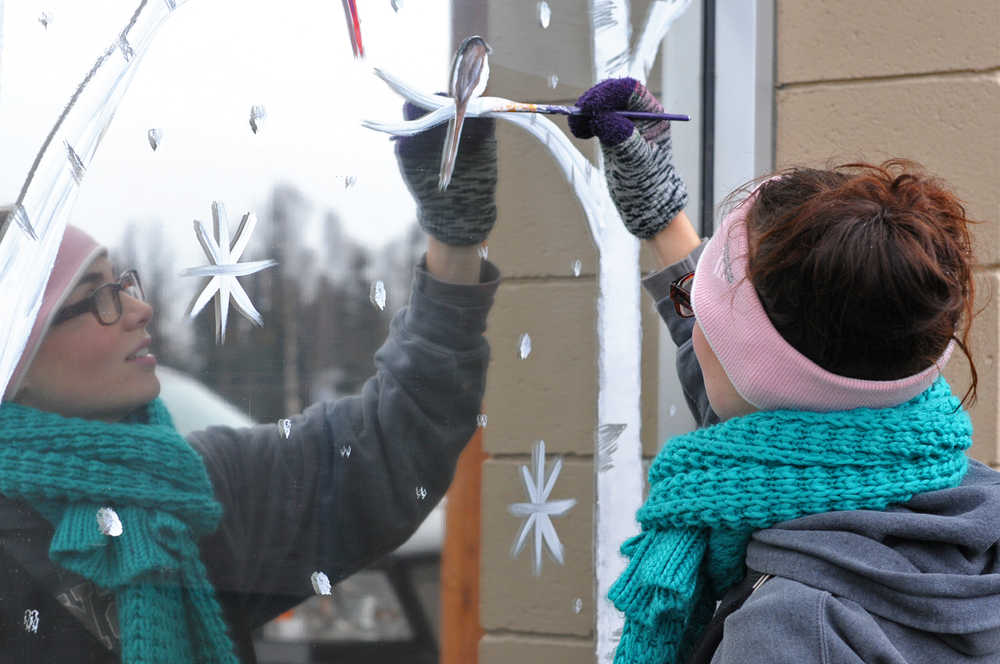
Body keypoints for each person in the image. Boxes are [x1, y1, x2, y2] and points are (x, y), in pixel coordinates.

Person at [0, 112, 500, 663]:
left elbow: (391, 441)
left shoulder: (193, 494)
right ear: (14, 360)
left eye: (124, 284)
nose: (140, 309)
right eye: (98, 297)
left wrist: (454, 238)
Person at [570, 78, 1000, 664]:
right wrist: (660, 215)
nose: (692, 326)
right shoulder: (952, 493)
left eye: (710, 321)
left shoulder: (790, 633)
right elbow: (760, 367)